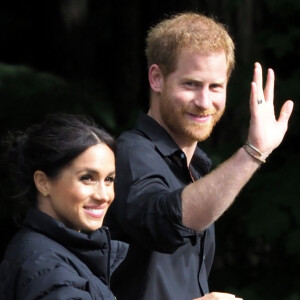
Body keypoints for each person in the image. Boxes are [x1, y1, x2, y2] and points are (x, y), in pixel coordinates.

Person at [104, 12, 294, 300]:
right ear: (156, 78)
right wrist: (254, 152)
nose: (205, 102)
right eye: (191, 84)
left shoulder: (196, 167)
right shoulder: (130, 155)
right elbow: (165, 223)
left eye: (215, 86)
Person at [0, 113, 128, 299]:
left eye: (109, 179)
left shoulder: (56, 254)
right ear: (43, 182)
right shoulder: (49, 269)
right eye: (87, 178)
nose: (103, 195)